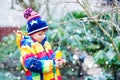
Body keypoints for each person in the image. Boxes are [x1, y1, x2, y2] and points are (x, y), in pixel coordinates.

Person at [16, 8, 66, 80]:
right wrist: (53, 63)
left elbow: (51, 59)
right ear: (31, 34)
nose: (43, 36)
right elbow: (31, 65)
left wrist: (58, 62)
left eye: (44, 33)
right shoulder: (27, 46)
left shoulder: (46, 44)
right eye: (40, 34)